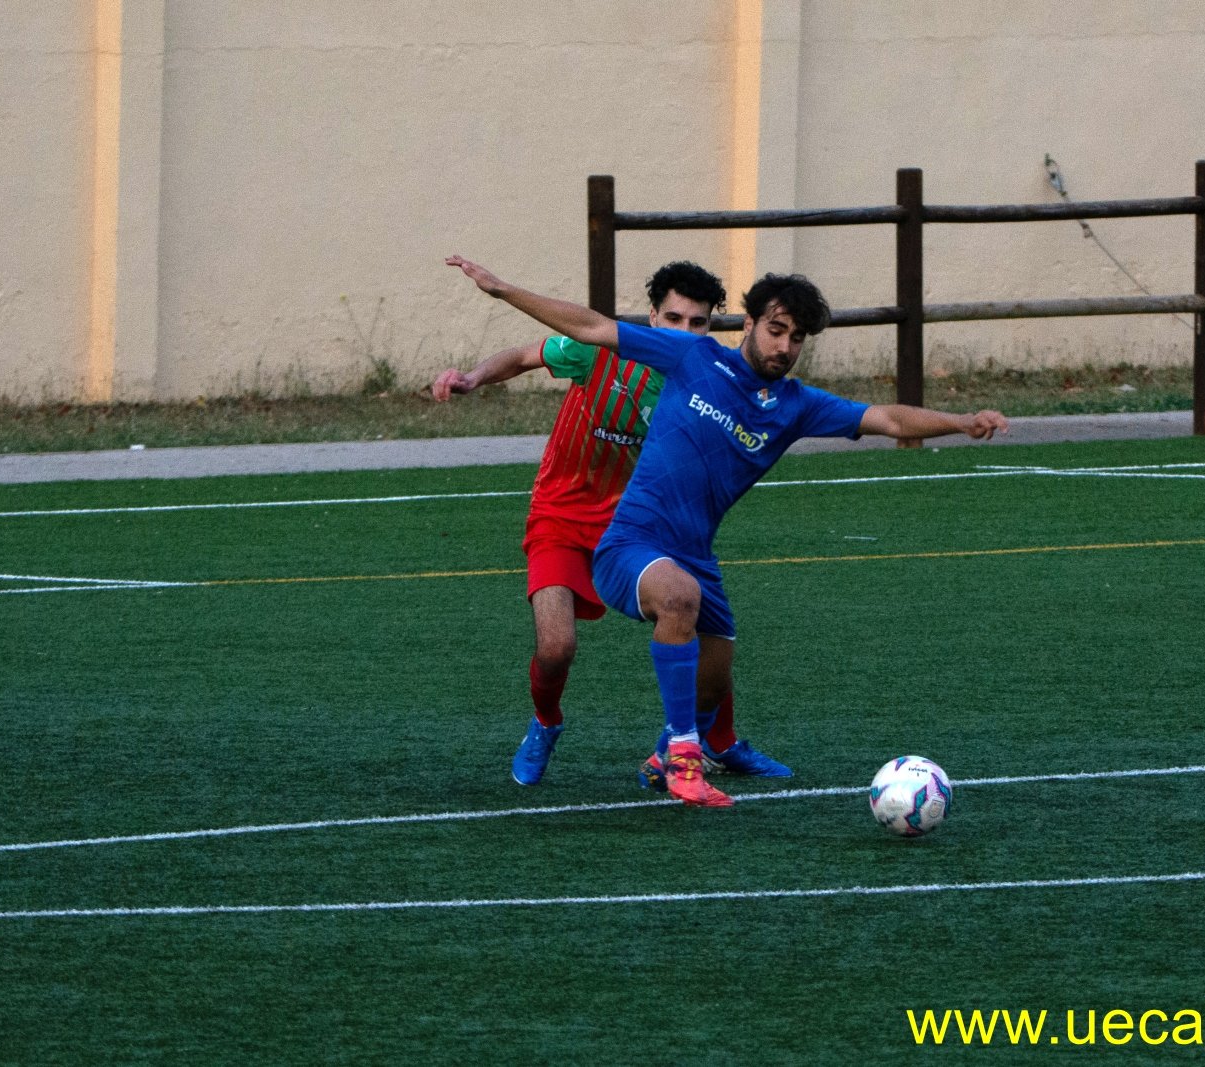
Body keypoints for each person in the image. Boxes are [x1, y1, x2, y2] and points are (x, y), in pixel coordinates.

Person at [446, 251, 1010, 806]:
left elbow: (886, 417)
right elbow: (591, 327)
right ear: (749, 324)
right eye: (776, 330)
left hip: (693, 553)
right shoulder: (691, 356)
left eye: (796, 338)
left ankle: (672, 753)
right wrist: (501, 288)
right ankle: (678, 759)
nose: (784, 347)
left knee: (714, 682)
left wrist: (961, 421)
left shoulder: (796, 405)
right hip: (630, 540)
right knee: (661, 605)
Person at [433, 261, 791, 787]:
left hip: (637, 526)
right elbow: (523, 356)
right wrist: (472, 378)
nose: (685, 332)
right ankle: (546, 722)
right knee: (556, 647)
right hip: (561, 515)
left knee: (703, 620)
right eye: (674, 319)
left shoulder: (709, 383)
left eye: (698, 323)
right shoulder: (601, 351)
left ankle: (717, 742)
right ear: (652, 317)